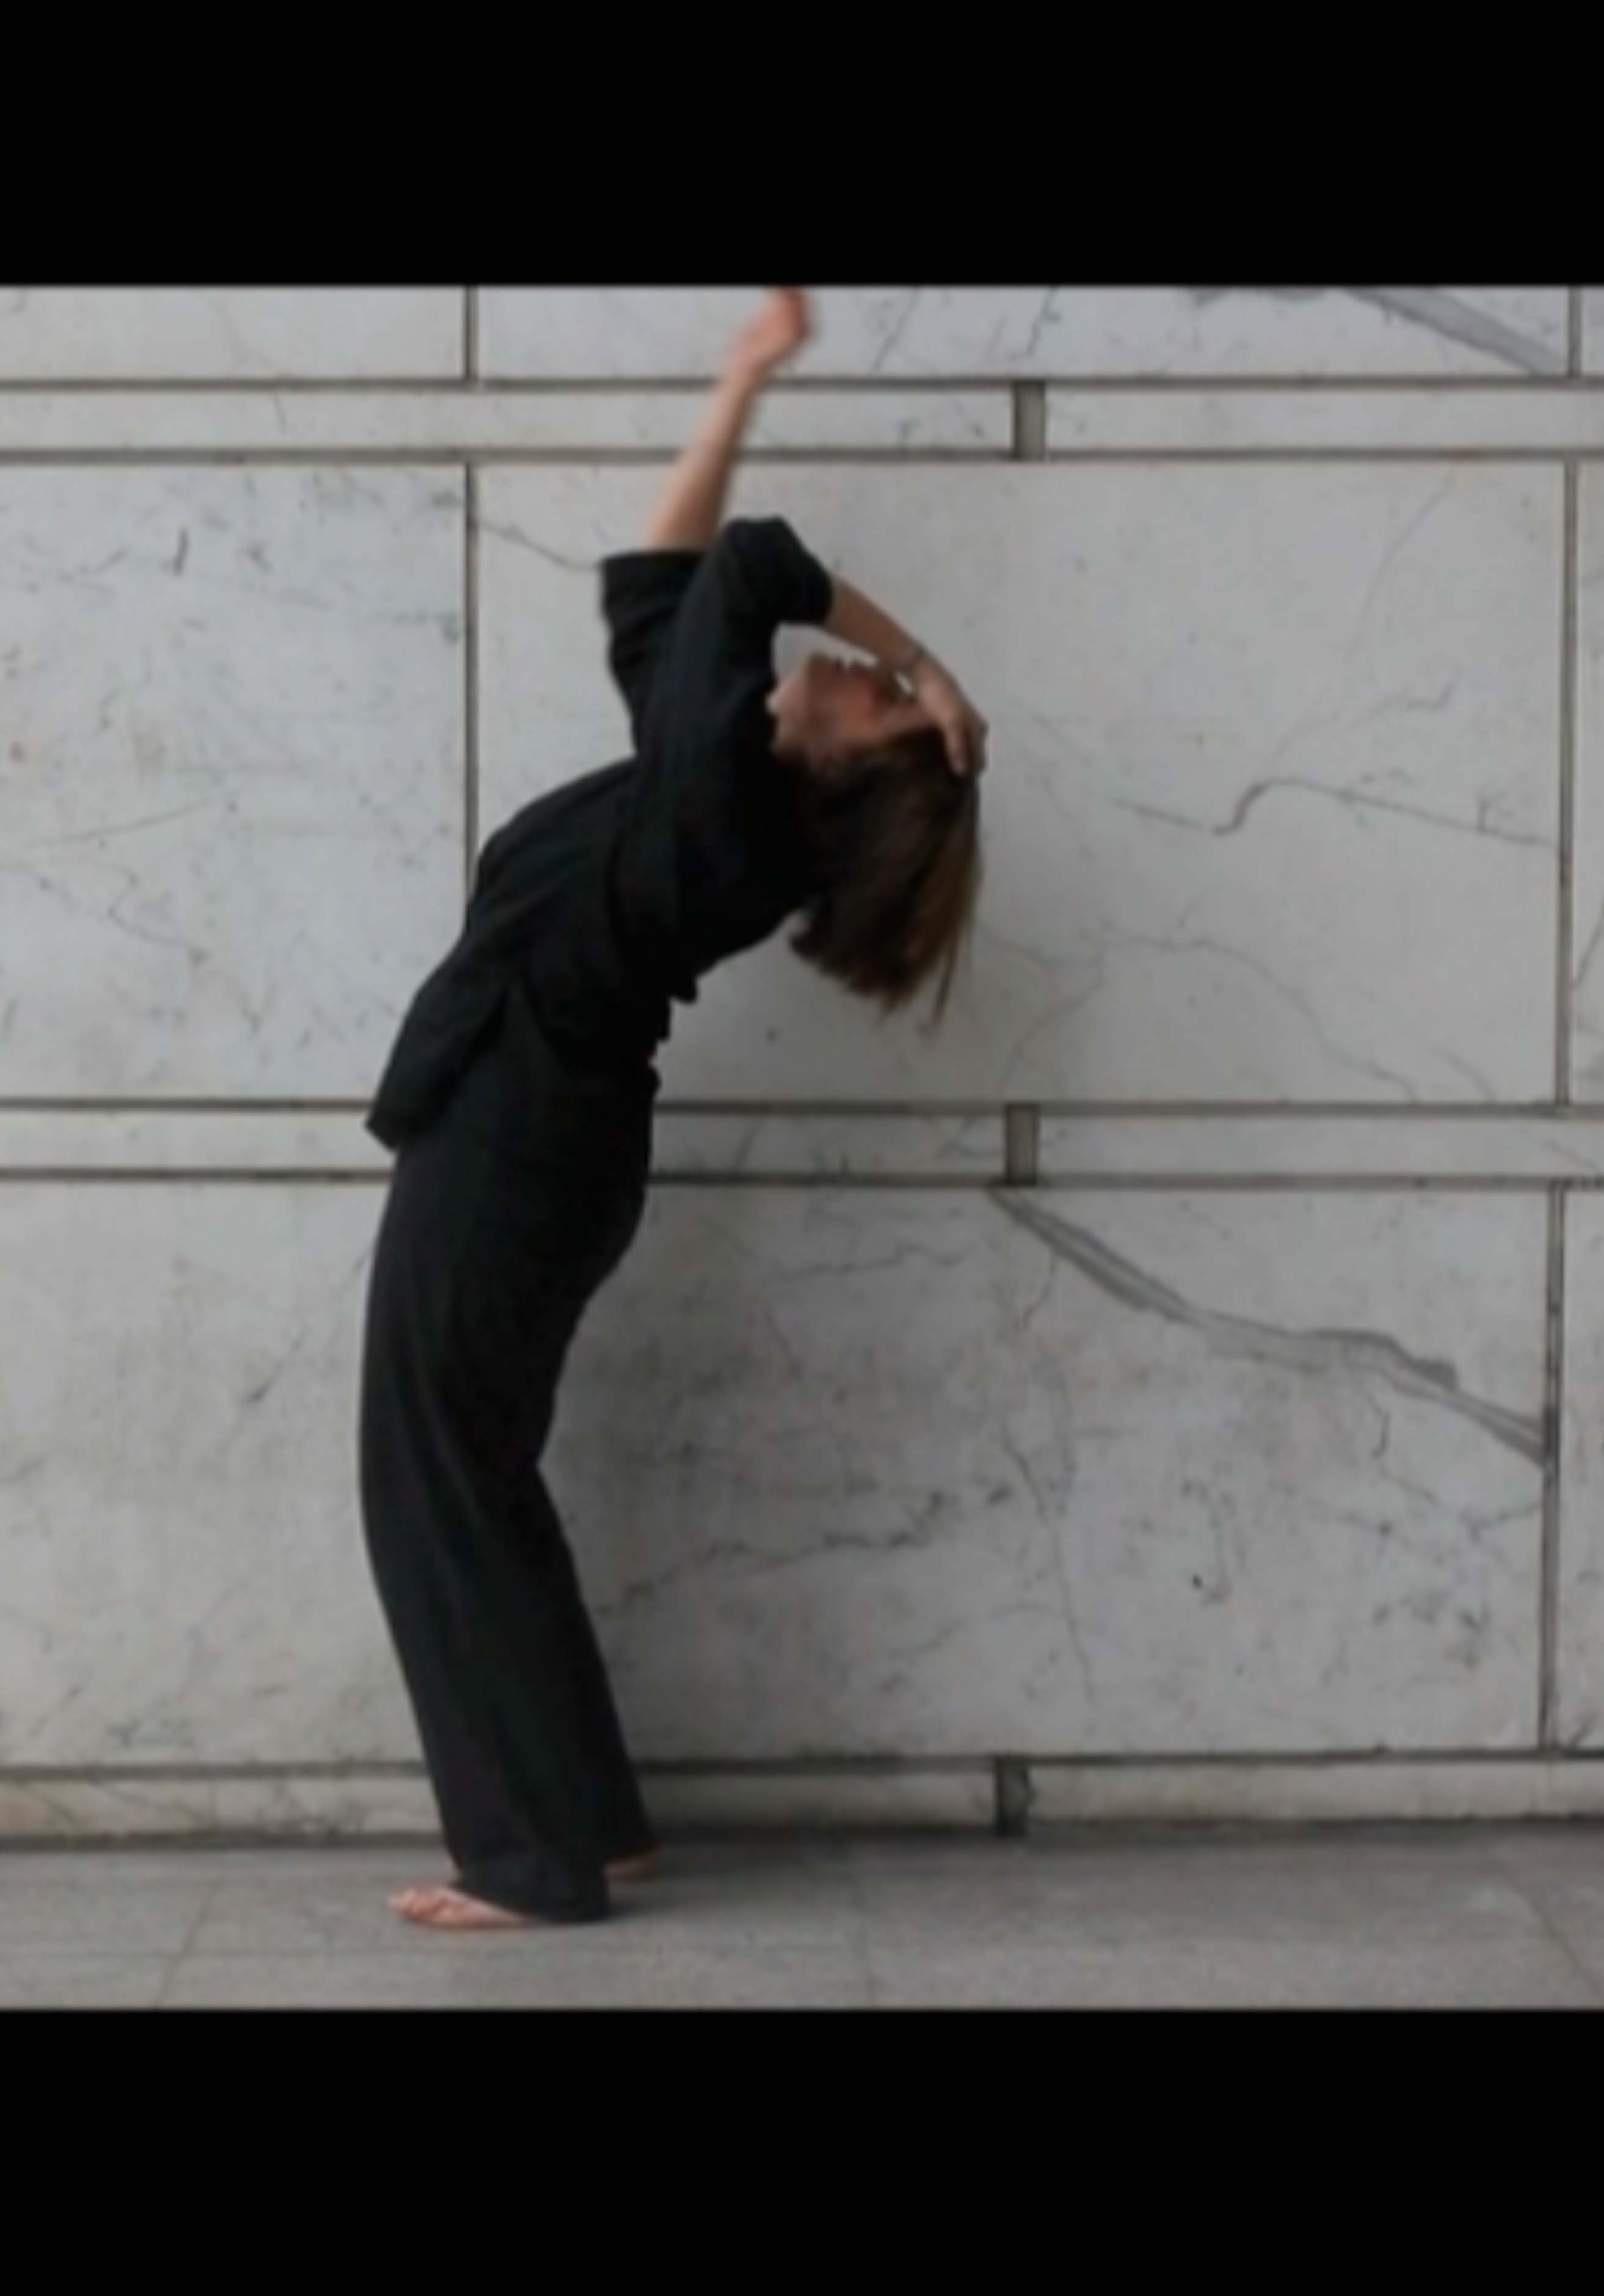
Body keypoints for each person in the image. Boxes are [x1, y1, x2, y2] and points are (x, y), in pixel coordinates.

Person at [356, 288, 989, 1929]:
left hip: (521, 1139)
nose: (856, 669)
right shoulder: (706, 768)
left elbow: (753, 565)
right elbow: (664, 582)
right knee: (478, 1470)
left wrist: (932, 666)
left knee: (430, 1479)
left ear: (845, 771)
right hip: (536, 1133)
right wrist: (739, 378)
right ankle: (591, 1823)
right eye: (880, 677)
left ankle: (529, 1864)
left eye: (877, 699)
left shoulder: (720, 805)